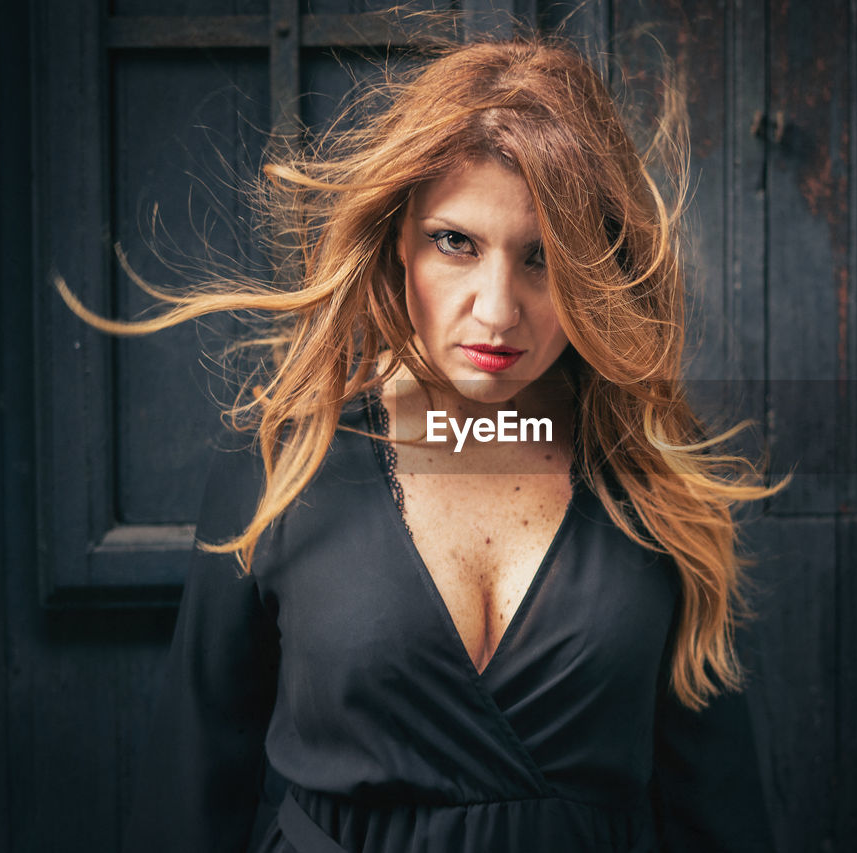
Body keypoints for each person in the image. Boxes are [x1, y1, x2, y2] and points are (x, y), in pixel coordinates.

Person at [60, 32, 784, 853]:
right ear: (398, 237)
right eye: (456, 242)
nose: (498, 308)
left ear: (597, 267)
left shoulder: (656, 480)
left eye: (545, 258)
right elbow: (188, 796)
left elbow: (719, 814)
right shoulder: (285, 461)